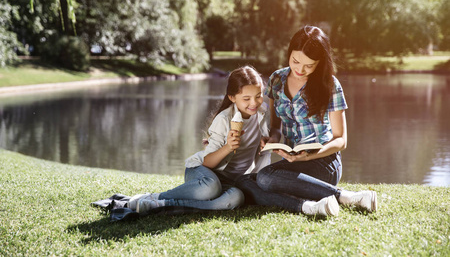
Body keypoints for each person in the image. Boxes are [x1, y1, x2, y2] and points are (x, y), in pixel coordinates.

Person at [127, 66, 340, 216]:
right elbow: (207, 163)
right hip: (205, 173)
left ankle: (173, 205)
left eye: (258, 96)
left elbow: (269, 138)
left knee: (235, 200)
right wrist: (228, 147)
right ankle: (157, 199)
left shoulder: (263, 114)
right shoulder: (223, 120)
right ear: (232, 98)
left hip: (237, 181)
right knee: (209, 188)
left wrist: (270, 141)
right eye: (246, 99)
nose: (254, 103)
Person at [235, 26, 377, 216]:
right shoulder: (277, 80)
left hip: (324, 162)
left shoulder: (330, 85)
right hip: (294, 162)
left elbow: (341, 140)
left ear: (320, 63)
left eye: (309, 65)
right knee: (245, 182)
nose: (300, 69)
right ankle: (309, 206)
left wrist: (311, 155)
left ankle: (345, 196)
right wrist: (271, 139)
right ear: (289, 53)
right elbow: (276, 127)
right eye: (295, 61)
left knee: (266, 178)